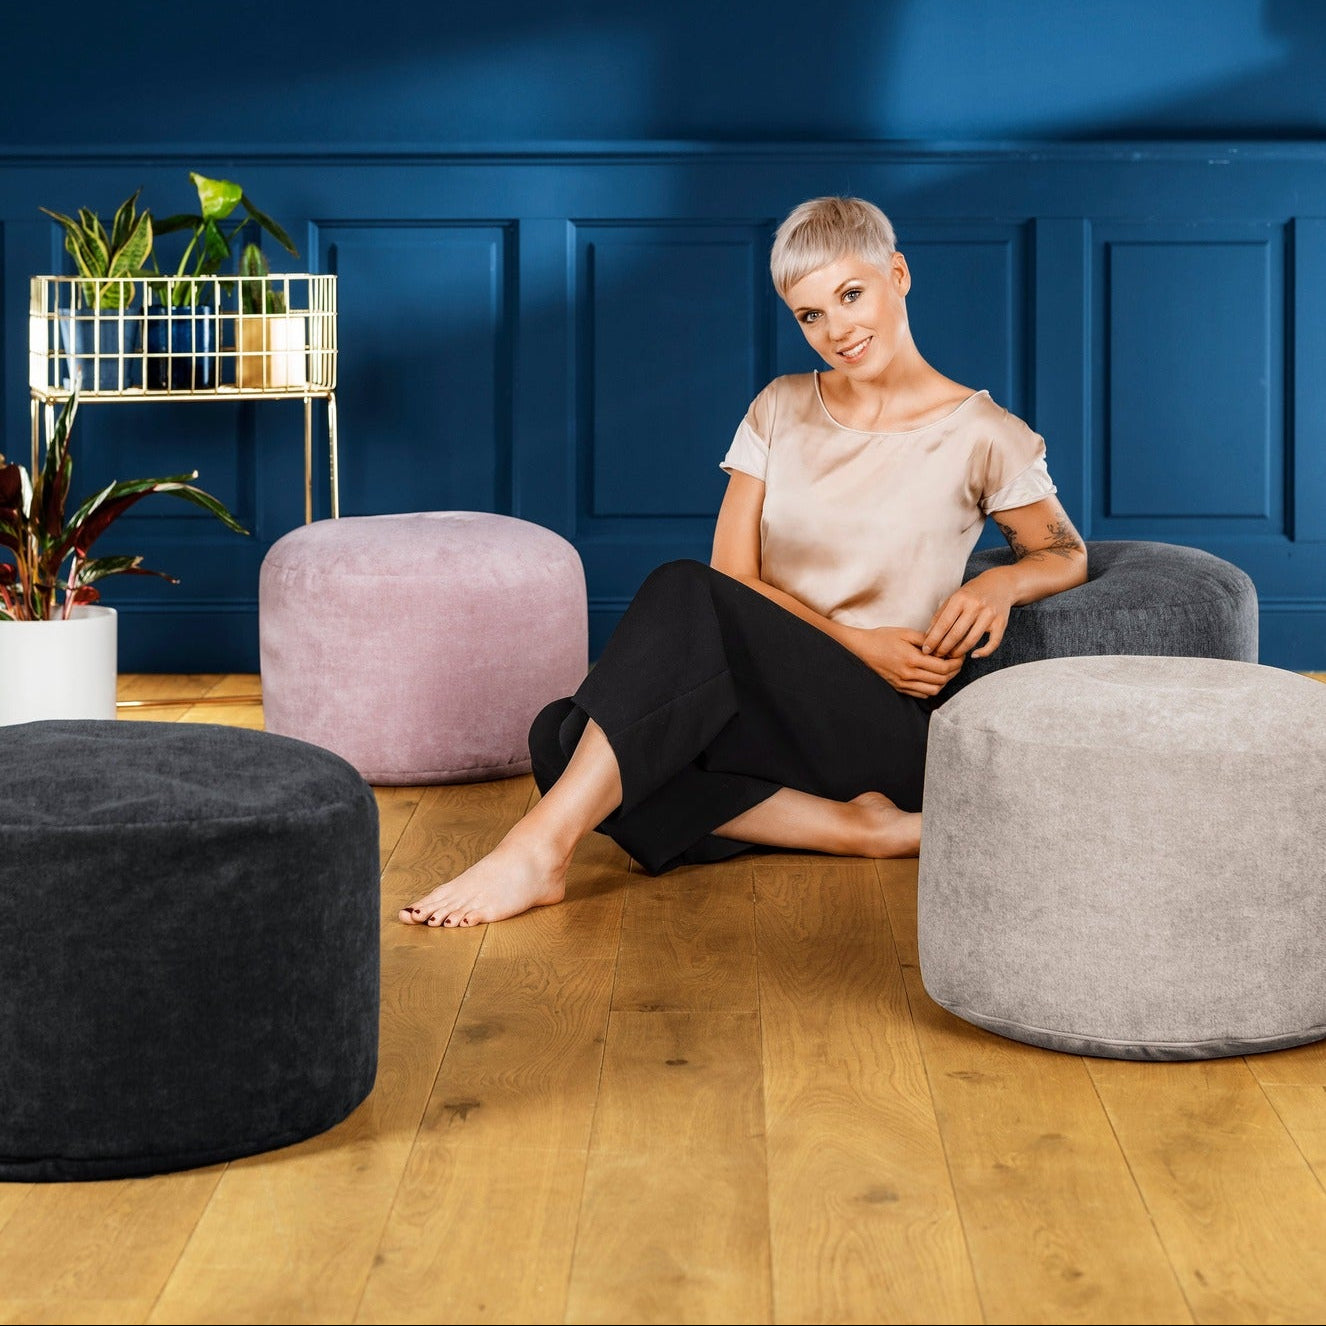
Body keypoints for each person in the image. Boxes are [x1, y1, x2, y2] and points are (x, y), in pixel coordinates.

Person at [401, 196, 1087, 930]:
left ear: (898, 274)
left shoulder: (984, 431)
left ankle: (537, 849)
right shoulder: (779, 407)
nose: (837, 331)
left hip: (883, 718)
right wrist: (858, 641)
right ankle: (860, 829)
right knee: (560, 737)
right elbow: (733, 580)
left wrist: (1002, 581)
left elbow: (1065, 552)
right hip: (782, 693)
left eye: (851, 296)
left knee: (666, 608)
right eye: (810, 315)